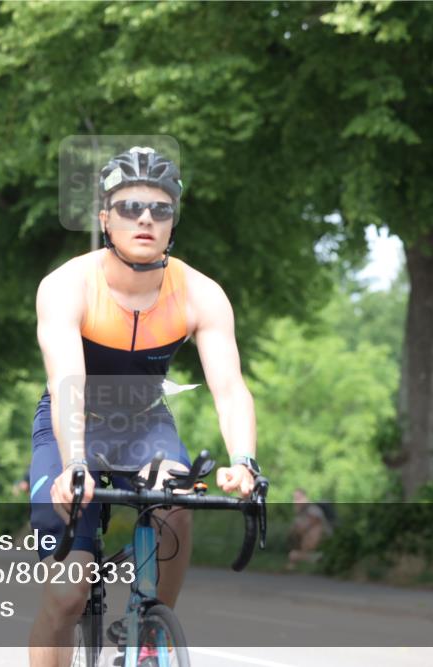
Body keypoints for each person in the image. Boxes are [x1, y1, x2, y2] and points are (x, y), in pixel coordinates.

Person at [29, 147, 260, 666]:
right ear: (104, 218)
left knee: (178, 499)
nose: (145, 219)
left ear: (173, 220)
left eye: (159, 209)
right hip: (72, 424)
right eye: (130, 207)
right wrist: (75, 465)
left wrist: (244, 461)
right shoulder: (67, 285)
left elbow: (229, 388)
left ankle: (153, 625)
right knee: (65, 597)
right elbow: (68, 381)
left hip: (145, 424)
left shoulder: (201, 293)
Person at [286, 488, 333, 569]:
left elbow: (312, 524)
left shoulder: (313, 510)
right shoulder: (299, 514)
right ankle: (312, 557)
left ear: (305, 498)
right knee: (293, 554)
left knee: (315, 528)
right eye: (294, 499)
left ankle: (312, 557)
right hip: (307, 546)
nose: (295, 501)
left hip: (323, 542)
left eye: (298, 498)